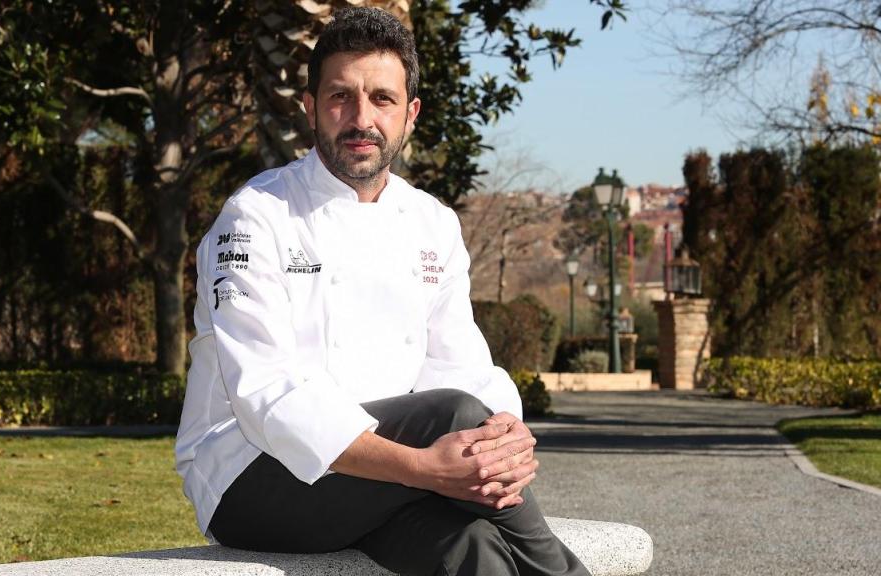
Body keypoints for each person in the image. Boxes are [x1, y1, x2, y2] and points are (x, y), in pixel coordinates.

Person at [175, 7, 589, 576]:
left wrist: (507, 436)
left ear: (410, 113)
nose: (360, 118)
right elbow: (268, 396)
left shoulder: (432, 223)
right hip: (252, 475)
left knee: (474, 551)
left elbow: (461, 362)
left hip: (385, 477)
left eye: (382, 99)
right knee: (452, 415)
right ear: (310, 107)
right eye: (340, 97)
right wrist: (422, 468)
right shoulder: (254, 218)